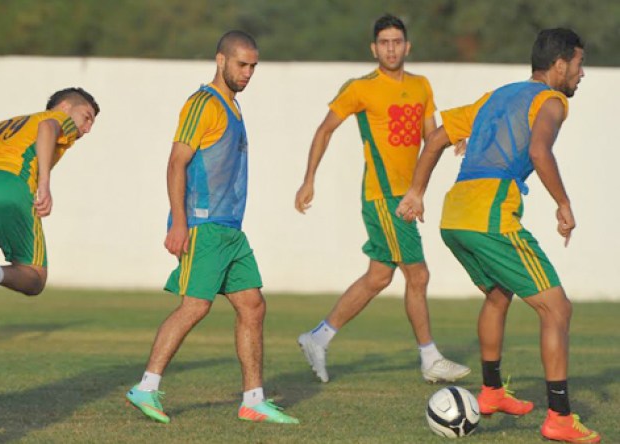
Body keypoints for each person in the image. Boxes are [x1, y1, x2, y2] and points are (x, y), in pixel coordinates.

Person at [396, 28, 600, 443]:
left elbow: (436, 137)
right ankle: (559, 417)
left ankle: (490, 393)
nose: (581, 73)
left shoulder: (497, 95)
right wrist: (563, 204)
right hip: (490, 215)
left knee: (498, 294)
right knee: (557, 309)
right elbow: (541, 152)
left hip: (455, 215)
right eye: (579, 64)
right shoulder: (552, 101)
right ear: (559, 65)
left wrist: (416, 191)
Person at [125, 30, 298, 425]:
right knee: (195, 306)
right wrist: (180, 222)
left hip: (230, 231)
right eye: (242, 64)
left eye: (254, 66)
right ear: (221, 60)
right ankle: (146, 387)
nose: (249, 72)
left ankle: (253, 399)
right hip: (203, 227)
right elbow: (176, 162)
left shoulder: (234, 108)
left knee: (253, 306)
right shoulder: (203, 103)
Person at [294, 14, 469, 384]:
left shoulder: (422, 86)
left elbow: (428, 136)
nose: (391, 48)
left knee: (378, 277)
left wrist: (454, 139)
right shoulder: (361, 88)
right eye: (384, 42)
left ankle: (318, 338)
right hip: (383, 195)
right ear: (374, 48)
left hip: (405, 195)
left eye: (397, 41)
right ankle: (430, 358)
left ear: (408, 46)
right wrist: (309, 179)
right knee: (418, 274)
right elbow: (325, 130)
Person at [0, 87, 99, 416]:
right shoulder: (54, 118)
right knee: (35, 278)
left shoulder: (6, 125)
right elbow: (47, 129)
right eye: (86, 118)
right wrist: (44, 183)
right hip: (10, 185)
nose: (87, 129)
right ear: (67, 107)